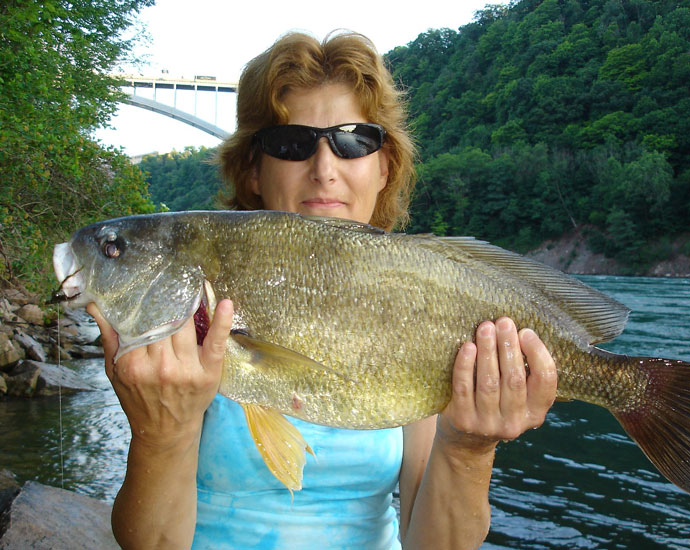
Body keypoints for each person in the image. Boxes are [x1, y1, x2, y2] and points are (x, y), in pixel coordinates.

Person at [88, 31, 558, 550]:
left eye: (354, 140)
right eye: (291, 144)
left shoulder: (423, 304)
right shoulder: (185, 309)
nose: (324, 170)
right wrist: (162, 433)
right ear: (252, 171)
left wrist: (469, 450)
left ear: (384, 167)